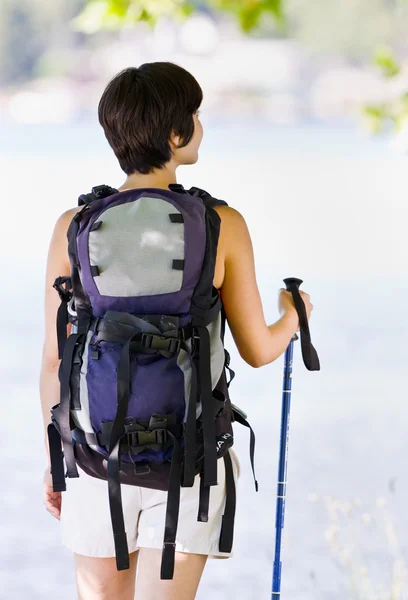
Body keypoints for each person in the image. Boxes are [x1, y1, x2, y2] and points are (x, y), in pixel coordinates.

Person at [40, 62, 313, 600]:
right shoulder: (220, 224)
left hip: (98, 460)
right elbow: (258, 349)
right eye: (194, 114)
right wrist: (296, 312)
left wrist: (56, 460)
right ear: (175, 132)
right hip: (190, 465)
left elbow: (55, 362)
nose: (200, 125)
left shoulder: (73, 227)